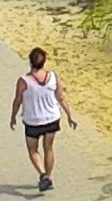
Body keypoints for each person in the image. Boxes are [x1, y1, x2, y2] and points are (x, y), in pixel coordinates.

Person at [10, 47, 78, 192]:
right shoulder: (53, 76)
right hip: (52, 118)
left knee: (33, 150)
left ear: (30, 61)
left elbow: (17, 101)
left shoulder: (24, 81)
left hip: (33, 121)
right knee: (49, 148)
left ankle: (43, 175)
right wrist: (69, 115)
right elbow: (61, 97)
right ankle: (48, 176)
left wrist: (13, 116)